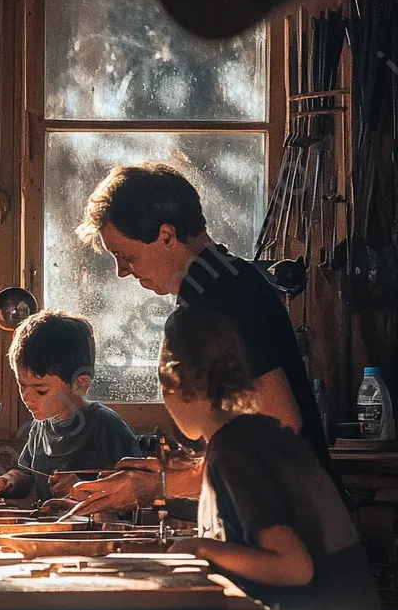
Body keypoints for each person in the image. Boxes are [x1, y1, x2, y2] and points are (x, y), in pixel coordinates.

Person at [159, 304, 389, 610]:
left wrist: (200, 548)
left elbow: (293, 566)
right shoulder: (261, 434)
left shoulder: (232, 453)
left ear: (178, 386)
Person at [68, 162, 332, 515]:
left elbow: (281, 431)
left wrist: (161, 486)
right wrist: (185, 467)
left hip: (297, 526)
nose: (122, 272)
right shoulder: (224, 280)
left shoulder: (219, 300)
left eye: (126, 256)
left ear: (166, 235)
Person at [0, 311, 141, 502]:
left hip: (97, 529)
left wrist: (83, 489)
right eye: (22, 386)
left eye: (41, 390)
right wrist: (10, 480)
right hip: (51, 527)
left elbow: (138, 489)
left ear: (79, 384)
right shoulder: (41, 426)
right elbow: (27, 473)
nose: (27, 397)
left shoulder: (106, 426)